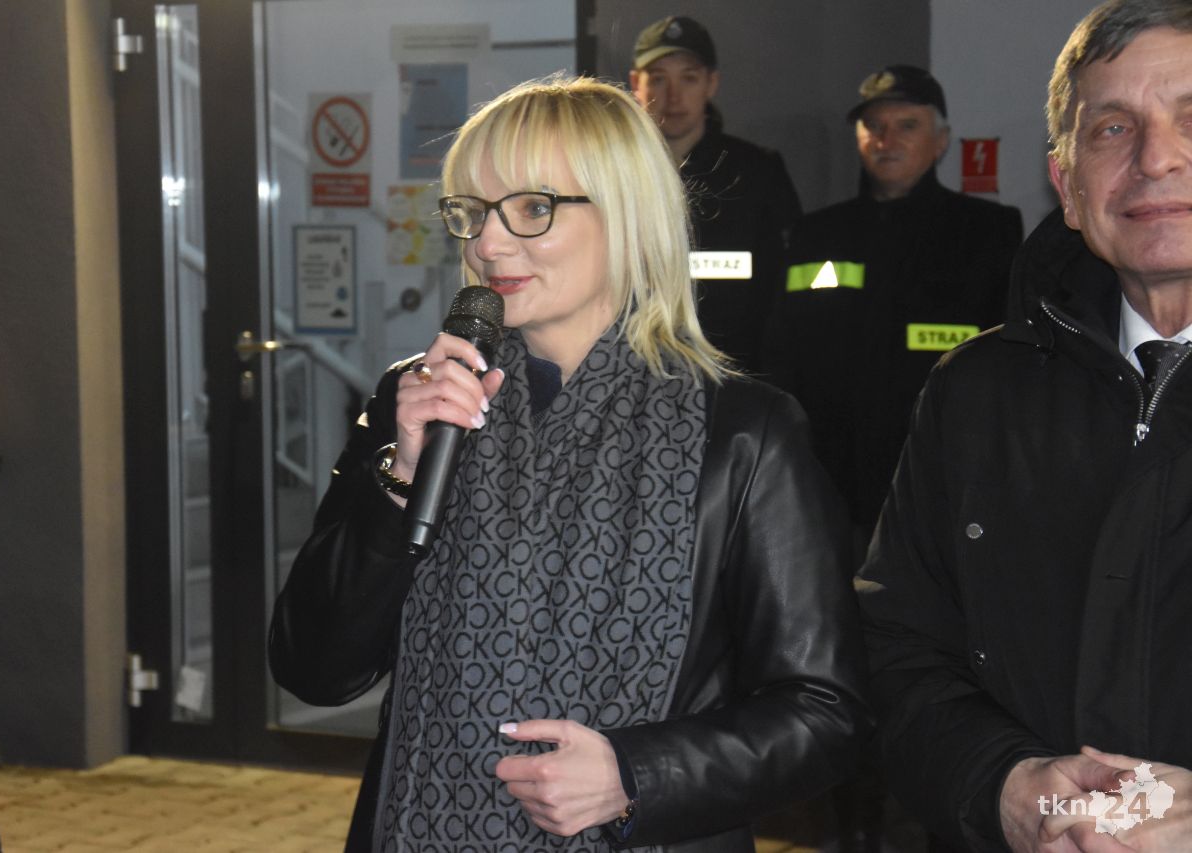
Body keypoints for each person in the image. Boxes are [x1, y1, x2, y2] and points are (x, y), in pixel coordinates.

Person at [269, 75, 869, 852]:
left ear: (626, 214)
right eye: (472, 211)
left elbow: (824, 711)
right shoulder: (416, 402)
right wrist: (400, 479)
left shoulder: (744, 433)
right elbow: (313, 667)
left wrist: (636, 775)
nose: (488, 243)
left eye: (531, 208)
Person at [858, 1, 1192, 850]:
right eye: (1112, 128)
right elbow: (895, 648)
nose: (1157, 157)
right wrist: (1003, 784)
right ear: (1068, 187)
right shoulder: (973, 396)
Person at [760, 64, 1024, 544]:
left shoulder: (987, 232)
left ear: (940, 141)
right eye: (874, 126)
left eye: (907, 125)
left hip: (940, 479)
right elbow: (783, 352)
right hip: (833, 484)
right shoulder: (816, 234)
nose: (887, 140)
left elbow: (1009, 365)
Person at [629, 15, 802, 375]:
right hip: (633, 372)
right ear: (635, 84)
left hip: (736, 375)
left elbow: (786, 295)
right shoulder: (614, 173)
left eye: (689, 78)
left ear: (711, 83)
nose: (673, 96)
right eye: (658, 78)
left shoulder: (757, 173)